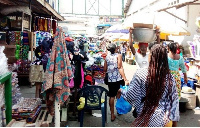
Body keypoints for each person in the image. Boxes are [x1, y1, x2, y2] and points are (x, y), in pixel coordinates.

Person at [117, 44, 179, 127]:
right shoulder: (169, 77)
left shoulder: (141, 73)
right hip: (165, 121)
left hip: (146, 120)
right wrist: (174, 124)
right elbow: (174, 101)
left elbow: (131, 95)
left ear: (150, 56)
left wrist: (121, 91)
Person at [104, 43, 129, 122]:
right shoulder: (119, 55)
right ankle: (119, 110)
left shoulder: (107, 57)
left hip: (110, 80)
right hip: (118, 79)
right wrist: (125, 79)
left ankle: (112, 114)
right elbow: (120, 67)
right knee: (119, 93)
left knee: (112, 96)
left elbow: (105, 69)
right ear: (115, 49)